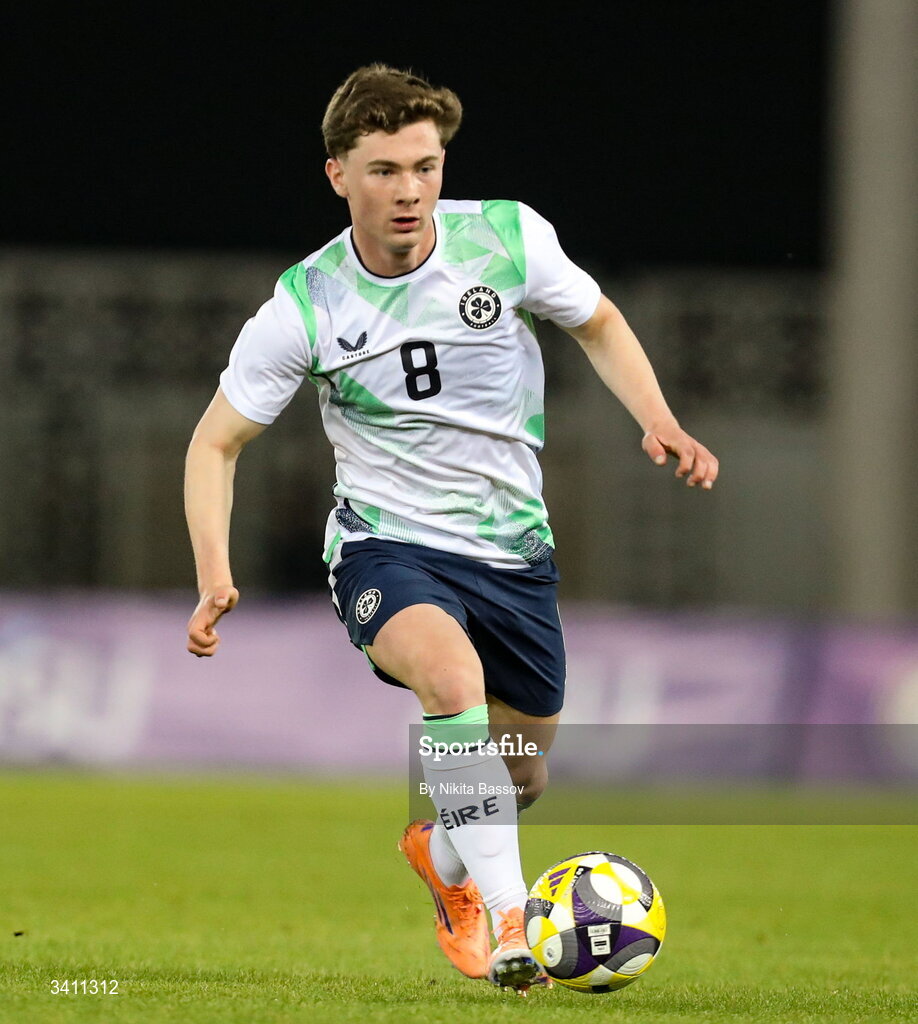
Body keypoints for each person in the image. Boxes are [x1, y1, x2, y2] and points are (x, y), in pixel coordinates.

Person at [184, 63, 718, 994]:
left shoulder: (506, 238)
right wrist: (213, 571)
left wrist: (657, 416)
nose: (410, 190)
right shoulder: (306, 303)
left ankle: (448, 857)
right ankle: (512, 928)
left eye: (425, 166)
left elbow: (597, 322)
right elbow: (214, 443)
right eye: (385, 169)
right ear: (337, 175)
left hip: (512, 553)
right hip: (385, 543)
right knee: (449, 676)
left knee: (520, 776)